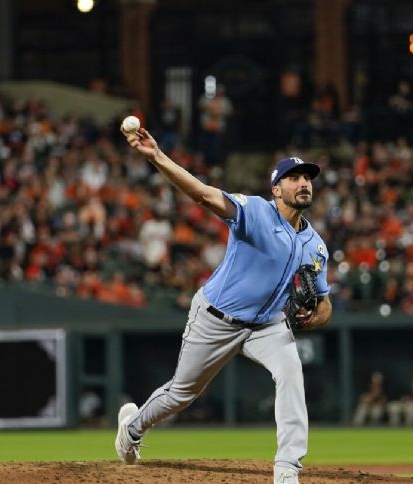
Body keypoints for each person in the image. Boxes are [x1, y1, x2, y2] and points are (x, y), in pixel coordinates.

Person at [114, 126, 332, 484]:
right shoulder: (255, 212)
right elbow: (200, 193)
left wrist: (314, 315)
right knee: (181, 394)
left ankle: (288, 469)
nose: (303, 182)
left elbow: (325, 305)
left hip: (267, 325)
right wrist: (156, 156)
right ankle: (132, 428)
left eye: (307, 177)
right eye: (293, 178)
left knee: (291, 372)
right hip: (217, 317)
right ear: (276, 189)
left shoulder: (316, 245)